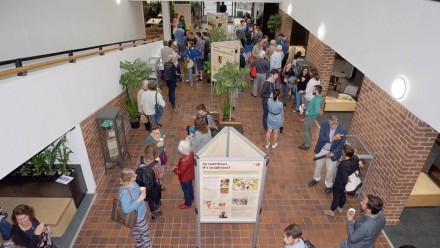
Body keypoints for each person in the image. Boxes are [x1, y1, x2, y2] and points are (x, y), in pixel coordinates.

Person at [308, 115, 347, 194]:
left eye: (335, 124)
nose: (333, 126)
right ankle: (316, 178)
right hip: (322, 150)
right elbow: (321, 138)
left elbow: (341, 144)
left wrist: (332, 153)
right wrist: (332, 138)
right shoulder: (324, 124)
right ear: (328, 122)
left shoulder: (343, 129)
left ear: (338, 122)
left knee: (330, 170)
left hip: (333, 152)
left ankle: (328, 185)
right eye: (331, 124)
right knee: (318, 167)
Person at [118, 168, 152, 247]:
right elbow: (126, 209)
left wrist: (141, 193)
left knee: (137, 232)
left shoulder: (133, 183)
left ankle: (139, 245)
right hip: (137, 217)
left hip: (139, 213)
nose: (136, 175)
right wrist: (139, 199)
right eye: (133, 175)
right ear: (128, 179)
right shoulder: (125, 192)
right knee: (146, 234)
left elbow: (136, 194)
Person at [325, 145, 359, 217]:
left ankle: (332, 211)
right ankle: (340, 207)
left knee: (336, 197)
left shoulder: (344, 164)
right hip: (347, 183)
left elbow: (344, 176)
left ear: (344, 153)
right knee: (343, 195)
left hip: (340, 183)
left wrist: (343, 184)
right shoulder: (356, 158)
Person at [136, 145, 163, 220]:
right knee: (156, 195)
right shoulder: (155, 163)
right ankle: (157, 204)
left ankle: (153, 213)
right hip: (153, 185)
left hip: (142, 184)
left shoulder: (140, 159)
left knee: (149, 200)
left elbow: (136, 169)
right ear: (155, 153)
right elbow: (160, 175)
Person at [299, 85, 323, 150]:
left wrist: (308, 112)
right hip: (310, 116)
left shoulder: (317, 99)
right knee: (308, 129)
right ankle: (308, 142)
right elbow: (313, 106)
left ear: (317, 91)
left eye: (314, 89)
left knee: (306, 130)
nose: (312, 90)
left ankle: (306, 145)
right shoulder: (316, 97)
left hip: (310, 117)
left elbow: (317, 111)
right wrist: (306, 108)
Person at [173, 140, 195, 209]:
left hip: (184, 178)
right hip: (190, 174)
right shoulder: (191, 153)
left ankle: (187, 203)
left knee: (186, 190)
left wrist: (175, 169)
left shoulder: (184, 160)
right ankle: (191, 198)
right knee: (190, 187)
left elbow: (180, 172)